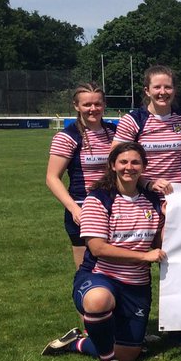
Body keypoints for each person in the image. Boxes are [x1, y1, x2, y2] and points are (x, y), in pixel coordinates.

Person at [42, 141, 167, 361]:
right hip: (100, 275)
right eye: (123, 162)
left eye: (135, 162)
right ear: (112, 165)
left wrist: (168, 216)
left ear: (144, 166)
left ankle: (76, 342)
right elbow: (97, 248)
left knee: (129, 354)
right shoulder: (98, 199)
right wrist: (143, 257)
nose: (129, 167)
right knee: (99, 300)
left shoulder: (152, 199)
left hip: (136, 282)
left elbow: (159, 244)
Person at [46, 83, 117, 270]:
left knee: (118, 269)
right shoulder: (67, 137)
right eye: (87, 105)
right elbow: (52, 178)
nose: (93, 109)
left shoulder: (114, 133)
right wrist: (74, 210)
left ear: (104, 104)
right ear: (76, 106)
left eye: (97, 104)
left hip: (116, 207)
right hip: (82, 208)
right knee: (87, 273)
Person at [115, 65, 181, 190]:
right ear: (147, 90)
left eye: (168, 87)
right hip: (143, 195)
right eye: (157, 87)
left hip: (177, 195)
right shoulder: (133, 120)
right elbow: (116, 162)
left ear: (175, 90)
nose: (163, 92)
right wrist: (148, 184)